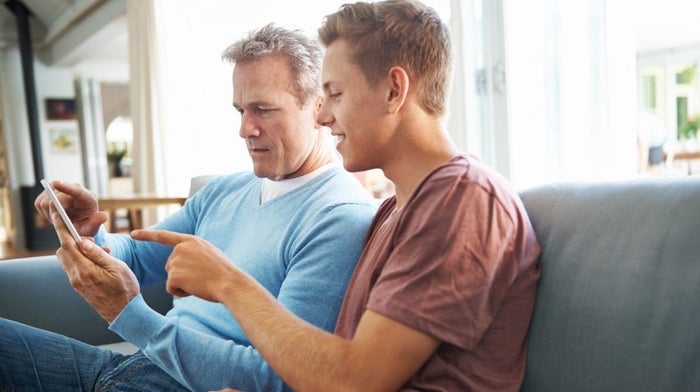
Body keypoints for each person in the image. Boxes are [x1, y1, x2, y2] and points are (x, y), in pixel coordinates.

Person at [127, 1, 542, 391]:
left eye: (336, 95)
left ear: (394, 90)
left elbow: (356, 381)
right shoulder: (398, 210)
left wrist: (227, 281)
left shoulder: (463, 201)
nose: (324, 117)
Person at [1, 24, 377, 391]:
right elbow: (136, 253)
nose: (245, 129)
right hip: (133, 364)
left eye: (262, 109)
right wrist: (89, 234)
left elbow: (278, 377)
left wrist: (130, 315)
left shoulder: (338, 218)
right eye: (240, 110)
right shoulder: (225, 190)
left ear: (319, 107)